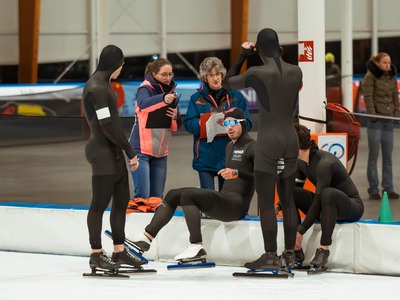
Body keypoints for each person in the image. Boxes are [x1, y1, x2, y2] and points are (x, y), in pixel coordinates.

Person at [128, 108, 256, 261]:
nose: (229, 127)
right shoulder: (229, 147)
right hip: (225, 199)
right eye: (227, 123)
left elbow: (263, 177)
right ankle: (146, 238)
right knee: (173, 194)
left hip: (236, 206)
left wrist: (237, 173)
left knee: (189, 195)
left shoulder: (253, 146)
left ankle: (196, 246)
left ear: (243, 123)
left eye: (234, 123)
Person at [223, 28, 303, 270]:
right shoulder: (296, 71)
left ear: (257, 49)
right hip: (291, 138)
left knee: (267, 201)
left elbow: (228, 82)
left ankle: (270, 254)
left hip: (269, 140)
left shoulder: (258, 72)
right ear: (279, 47)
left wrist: (242, 56)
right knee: (288, 200)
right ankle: (290, 253)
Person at [82, 44, 144, 270]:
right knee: (99, 204)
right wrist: (130, 151)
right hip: (102, 151)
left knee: (120, 202)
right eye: (122, 64)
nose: (122, 68)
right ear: (115, 64)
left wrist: (123, 150)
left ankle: (119, 251)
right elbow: (107, 126)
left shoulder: (103, 84)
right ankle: (96, 254)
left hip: (113, 151)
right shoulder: (98, 87)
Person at [292, 123, 364, 268]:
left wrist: (301, 230)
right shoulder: (301, 162)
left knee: (327, 193)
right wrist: (280, 205)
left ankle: (324, 249)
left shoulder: (325, 163)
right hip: (326, 207)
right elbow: (296, 192)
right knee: (290, 192)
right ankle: (295, 249)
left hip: (351, 207)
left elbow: (318, 201)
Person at [184, 57, 252, 191]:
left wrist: (230, 123)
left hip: (230, 156)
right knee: (207, 199)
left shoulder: (237, 96)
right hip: (205, 156)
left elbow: (248, 124)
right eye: (211, 75)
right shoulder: (196, 98)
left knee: (226, 199)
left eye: (218, 74)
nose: (215, 78)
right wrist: (206, 122)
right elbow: (188, 124)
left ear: (222, 75)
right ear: (205, 77)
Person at [129, 58, 181, 199]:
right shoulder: (145, 89)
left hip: (160, 152)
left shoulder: (171, 92)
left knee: (157, 198)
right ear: (154, 74)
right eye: (164, 74)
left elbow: (175, 127)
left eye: (170, 74)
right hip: (140, 151)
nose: (168, 78)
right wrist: (163, 99)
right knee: (143, 197)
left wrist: (175, 116)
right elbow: (144, 104)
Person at [362, 52, 399, 200]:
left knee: (388, 157)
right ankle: (373, 190)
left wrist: (396, 113)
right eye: (384, 62)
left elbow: (395, 96)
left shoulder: (391, 76)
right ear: (377, 63)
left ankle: (389, 188)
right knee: (374, 156)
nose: (388, 65)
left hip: (388, 121)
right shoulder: (369, 77)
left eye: (389, 63)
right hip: (376, 122)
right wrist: (373, 116)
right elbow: (368, 98)